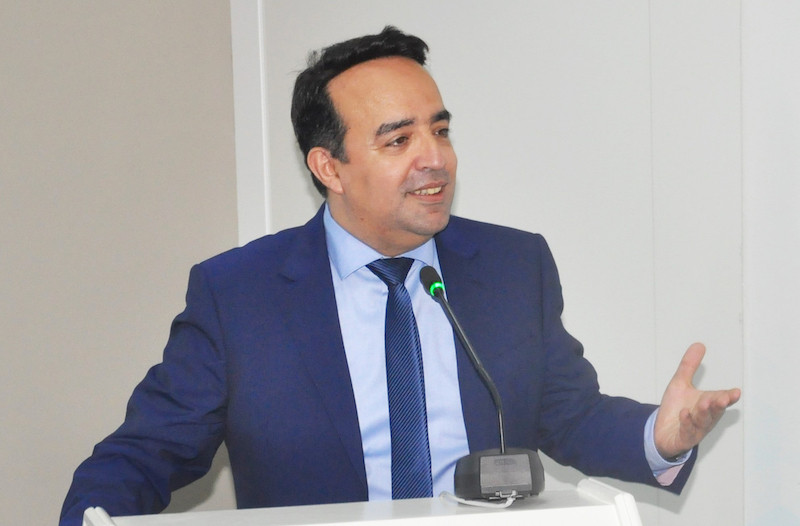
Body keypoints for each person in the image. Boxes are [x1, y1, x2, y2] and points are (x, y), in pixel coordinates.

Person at [60, 26, 740, 525]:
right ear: (329, 167)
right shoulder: (240, 294)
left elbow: (569, 415)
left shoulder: (512, 266)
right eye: (399, 140)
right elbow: (146, 452)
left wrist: (660, 436)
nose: (434, 158)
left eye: (439, 130)